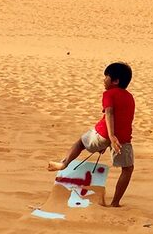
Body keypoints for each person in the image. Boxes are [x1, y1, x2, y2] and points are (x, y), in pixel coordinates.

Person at [48, 62, 136, 207]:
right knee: (127, 169)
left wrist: (110, 137)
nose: (104, 80)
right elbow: (125, 118)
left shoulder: (109, 94)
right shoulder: (130, 97)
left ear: (115, 81)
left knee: (80, 143)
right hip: (123, 138)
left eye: (106, 77)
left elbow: (109, 113)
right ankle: (115, 203)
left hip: (104, 133)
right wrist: (113, 139)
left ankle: (64, 163)